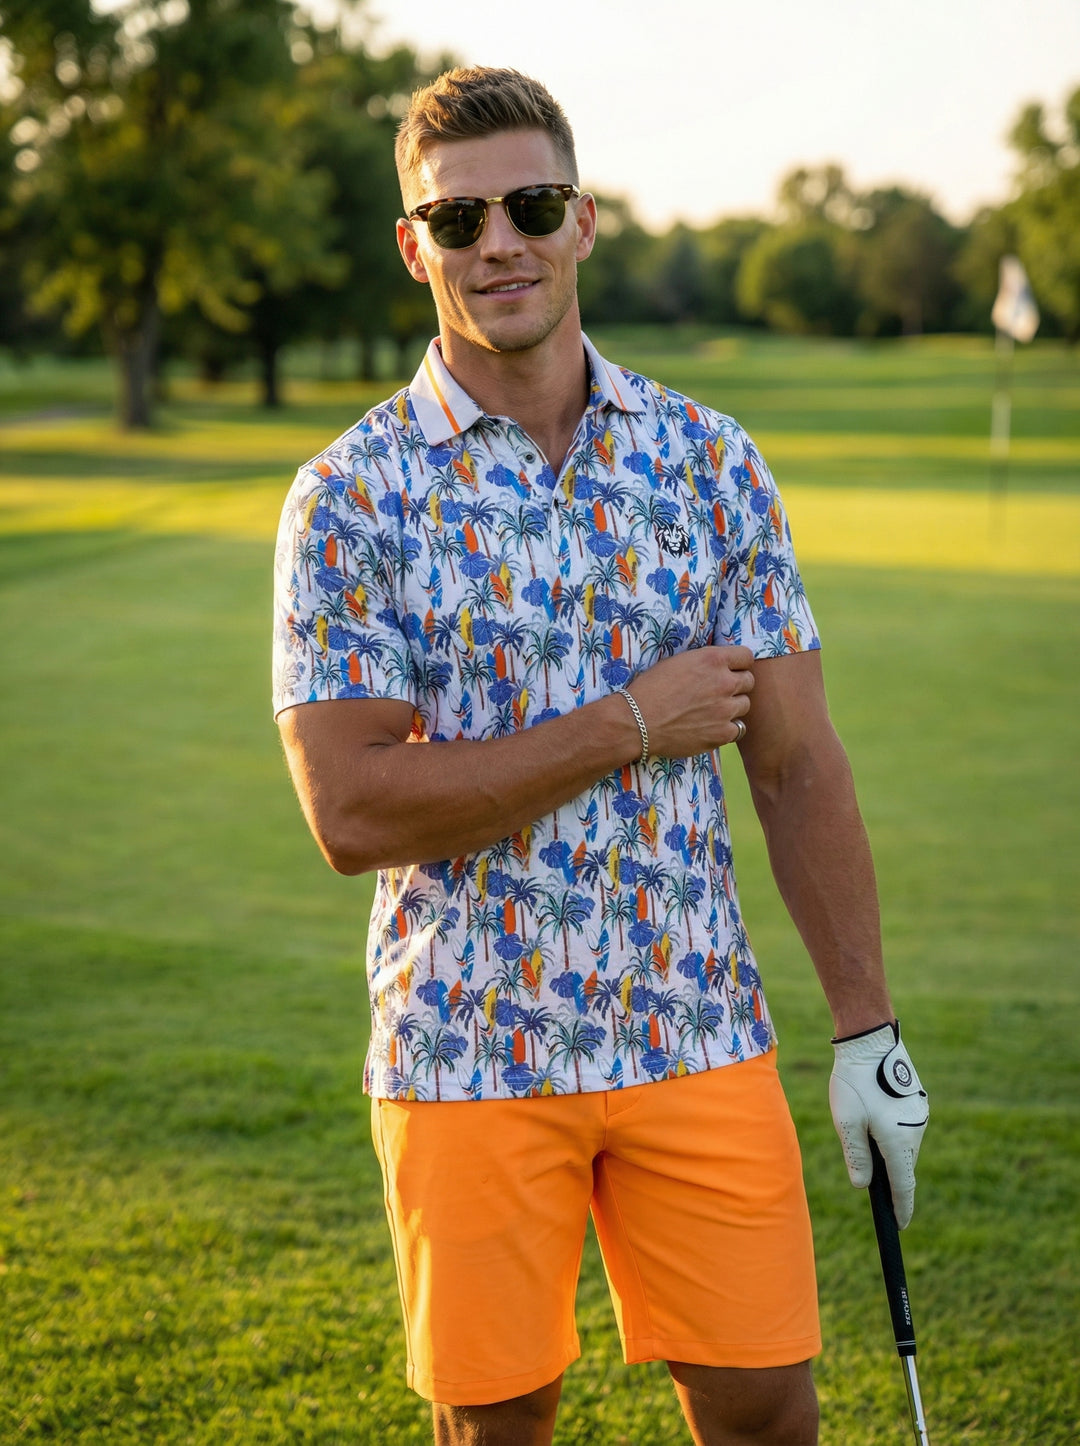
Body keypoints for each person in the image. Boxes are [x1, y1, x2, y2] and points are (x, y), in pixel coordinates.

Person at [272, 66, 929, 1446]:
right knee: (497, 1424)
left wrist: (867, 1028)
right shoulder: (347, 496)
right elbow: (351, 810)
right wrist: (628, 724)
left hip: (699, 1026)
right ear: (414, 248)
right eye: (457, 219)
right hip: (466, 1045)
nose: (497, 242)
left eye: (531, 205)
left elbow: (797, 765)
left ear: (583, 220)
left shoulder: (711, 462)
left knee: (767, 1411)